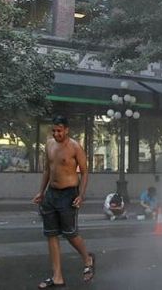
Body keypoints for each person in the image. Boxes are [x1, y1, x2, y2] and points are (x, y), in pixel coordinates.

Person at [32, 115, 96, 288]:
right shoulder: (49, 144)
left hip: (69, 194)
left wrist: (81, 195)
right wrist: (41, 191)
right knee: (51, 234)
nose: (56, 133)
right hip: (51, 195)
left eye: (59, 130)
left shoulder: (75, 147)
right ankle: (57, 276)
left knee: (70, 233)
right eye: (54, 130)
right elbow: (47, 169)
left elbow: (85, 172)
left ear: (66, 130)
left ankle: (87, 258)